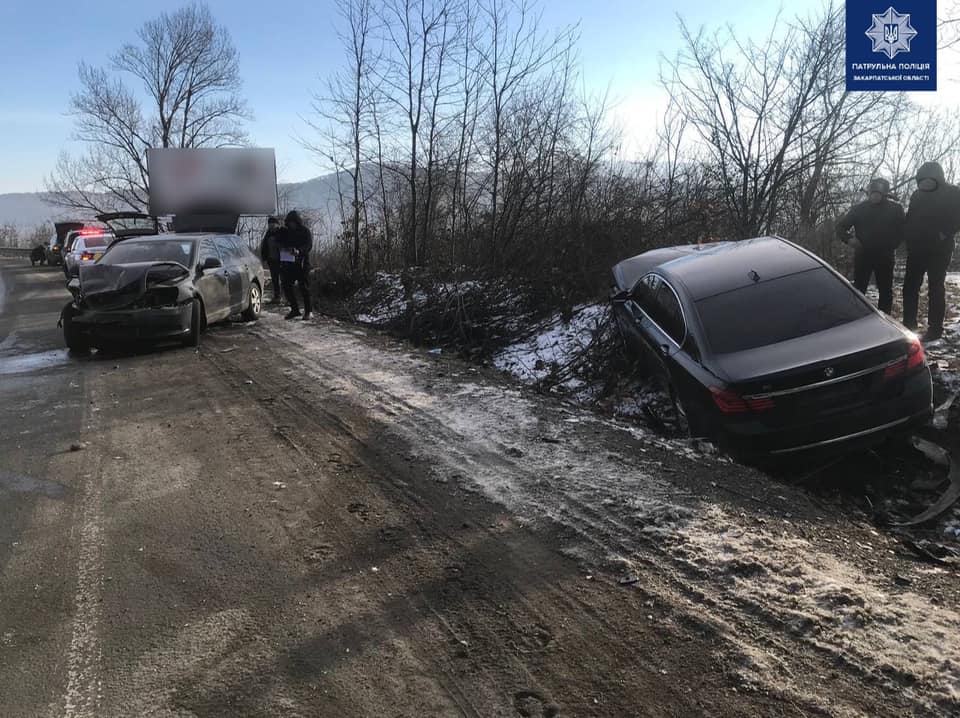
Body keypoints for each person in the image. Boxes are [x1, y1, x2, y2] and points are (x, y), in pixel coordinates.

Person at [902, 161, 960, 342]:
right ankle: (908, 326)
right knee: (909, 287)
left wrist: (943, 234)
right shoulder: (917, 195)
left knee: (935, 287)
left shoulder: (953, 193)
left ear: (937, 178)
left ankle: (935, 329)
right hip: (916, 247)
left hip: (939, 249)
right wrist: (908, 237)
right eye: (923, 180)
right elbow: (910, 217)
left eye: (929, 179)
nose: (926, 183)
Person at [835, 178, 904, 314]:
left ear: (884, 194)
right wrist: (849, 240)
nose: (874, 196)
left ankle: (885, 319)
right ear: (869, 193)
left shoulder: (895, 209)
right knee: (859, 289)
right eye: (872, 193)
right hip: (863, 255)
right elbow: (840, 227)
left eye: (878, 194)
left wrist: (893, 244)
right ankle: (856, 316)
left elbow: (902, 230)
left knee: (885, 291)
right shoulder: (859, 209)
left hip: (885, 256)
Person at [277, 210, 313, 320]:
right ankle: (295, 310)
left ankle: (308, 311)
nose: (291, 224)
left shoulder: (305, 231)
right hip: (289, 263)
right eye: (290, 222)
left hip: (302, 263)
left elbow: (308, 245)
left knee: (304, 288)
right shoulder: (286, 232)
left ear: (297, 221)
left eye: (293, 222)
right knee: (286, 286)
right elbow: (279, 240)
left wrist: (299, 251)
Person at [260, 216, 284, 304]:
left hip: (282, 259)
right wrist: (264, 257)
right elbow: (264, 246)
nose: (271, 226)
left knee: (284, 279)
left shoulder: (282, 232)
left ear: (277, 224)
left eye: (273, 224)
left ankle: (287, 298)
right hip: (271, 259)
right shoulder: (268, 234)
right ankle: (277, 297)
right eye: (269, 224)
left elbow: (286, 243)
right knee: (275, 279)